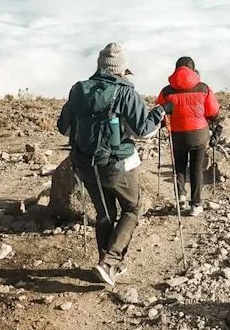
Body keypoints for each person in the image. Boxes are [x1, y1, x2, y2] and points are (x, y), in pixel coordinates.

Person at [57, 43, 171, 286]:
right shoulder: (126, 92)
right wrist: (160, 112)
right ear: (120, 69)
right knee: (132, 208)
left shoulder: (79, 90)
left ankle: (106, 263)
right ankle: (109, 262)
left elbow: (63, 127)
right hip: (117, 164)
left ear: (99, 66)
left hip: (85, 164)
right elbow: (143, 129)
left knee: (105, 214)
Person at [156, 56, 220, 217]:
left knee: (179, 166)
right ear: (193, 69)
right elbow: (212, 112)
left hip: (177, 134)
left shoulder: (166, 91)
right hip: (199, 134)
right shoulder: (203, 88)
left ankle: (181, 199)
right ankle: (196, 205)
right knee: (196, 168)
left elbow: (161, 113)